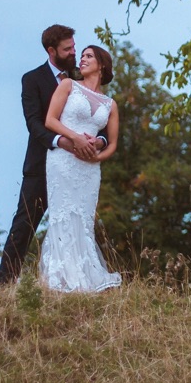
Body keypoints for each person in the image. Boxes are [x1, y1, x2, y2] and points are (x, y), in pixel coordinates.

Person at [0, 25, 104, 286]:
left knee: (78, 223)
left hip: (78, 167)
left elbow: (99, 118)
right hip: (42, 164)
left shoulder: (80, 79)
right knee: (25, 223)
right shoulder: (32, 79)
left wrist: (98, 141)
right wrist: (60, 141)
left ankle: (76, 281)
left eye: (74, 47)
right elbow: (33, 123)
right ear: (51, 51)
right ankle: (5, 282)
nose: (73, 53)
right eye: (68, 49)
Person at [39, 44, 122, 292]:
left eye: (89, 56)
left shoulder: (110, 104)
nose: (82, 59)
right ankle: (61, 277)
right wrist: (75, 138)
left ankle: (85, 275)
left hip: (89, 168)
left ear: (102, 64)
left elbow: (113, 143)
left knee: (84, 219)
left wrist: (97, 158)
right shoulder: (68, 86)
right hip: (63, 160)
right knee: (64, 214)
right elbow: (50, 120)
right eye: (82, 56)